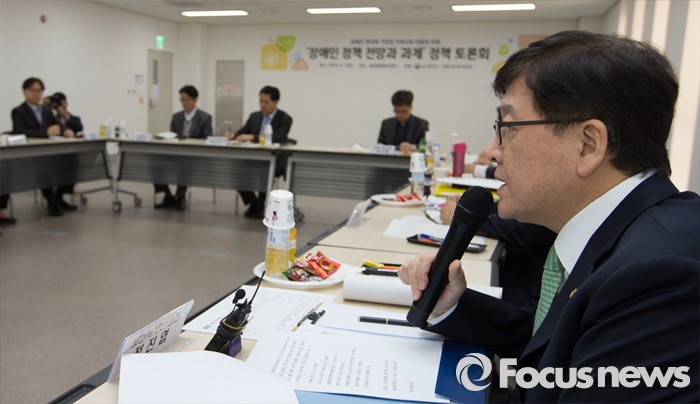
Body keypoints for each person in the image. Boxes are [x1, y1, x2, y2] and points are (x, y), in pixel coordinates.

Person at [399, 31, 699, 402]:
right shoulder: (619, 233)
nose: (493, 153)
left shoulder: (660, 277)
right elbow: (557, 350)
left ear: (588, 145)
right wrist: (453, 307)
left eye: (507, 129)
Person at [11, 77, 77, 216]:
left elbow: (57, 125)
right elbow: (19, 131)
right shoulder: (19, 111)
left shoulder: (46, 110)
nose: (37, 94)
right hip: (30, 153)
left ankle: (58, 198)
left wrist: (66, 131)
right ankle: (51, 202)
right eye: (33, 90)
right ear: (24, 92)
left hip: (49, 151)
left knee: (70, 161)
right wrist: (45, 132)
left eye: (39, 90)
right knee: (43, 166)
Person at [226, 85, 293, 219]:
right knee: (235, 169)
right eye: (260, 101)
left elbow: (278, 137)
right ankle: (254, 203)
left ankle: (258, 205)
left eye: (266, 102)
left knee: (266, 170)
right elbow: (242, 132)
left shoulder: (285, 118)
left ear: (276, 102)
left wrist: (253, 137)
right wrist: (232, 135)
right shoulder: (254, 116)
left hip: (274, 159)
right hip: (253, 158)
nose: (262, 105)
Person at [154, 85, 213, 210]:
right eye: (181, 99)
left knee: (184, 164)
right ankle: (168, 196)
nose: (184, 103)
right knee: (156, 165)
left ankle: (180, 197)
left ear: (195, 100)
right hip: (176, 153)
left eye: (187, 100)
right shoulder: (177, 117)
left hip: (194, 155)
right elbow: (172, 135)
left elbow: (207, 138)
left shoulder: (205, 118)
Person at [377, 90, 429, 156]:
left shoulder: (421, 124)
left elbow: (425, 147)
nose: (400, 115)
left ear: (411, 107)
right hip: (389, 159)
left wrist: (413, 147)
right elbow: (379, 145)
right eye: (397, 111)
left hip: (411, 159)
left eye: (404, 111)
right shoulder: (386, 124)